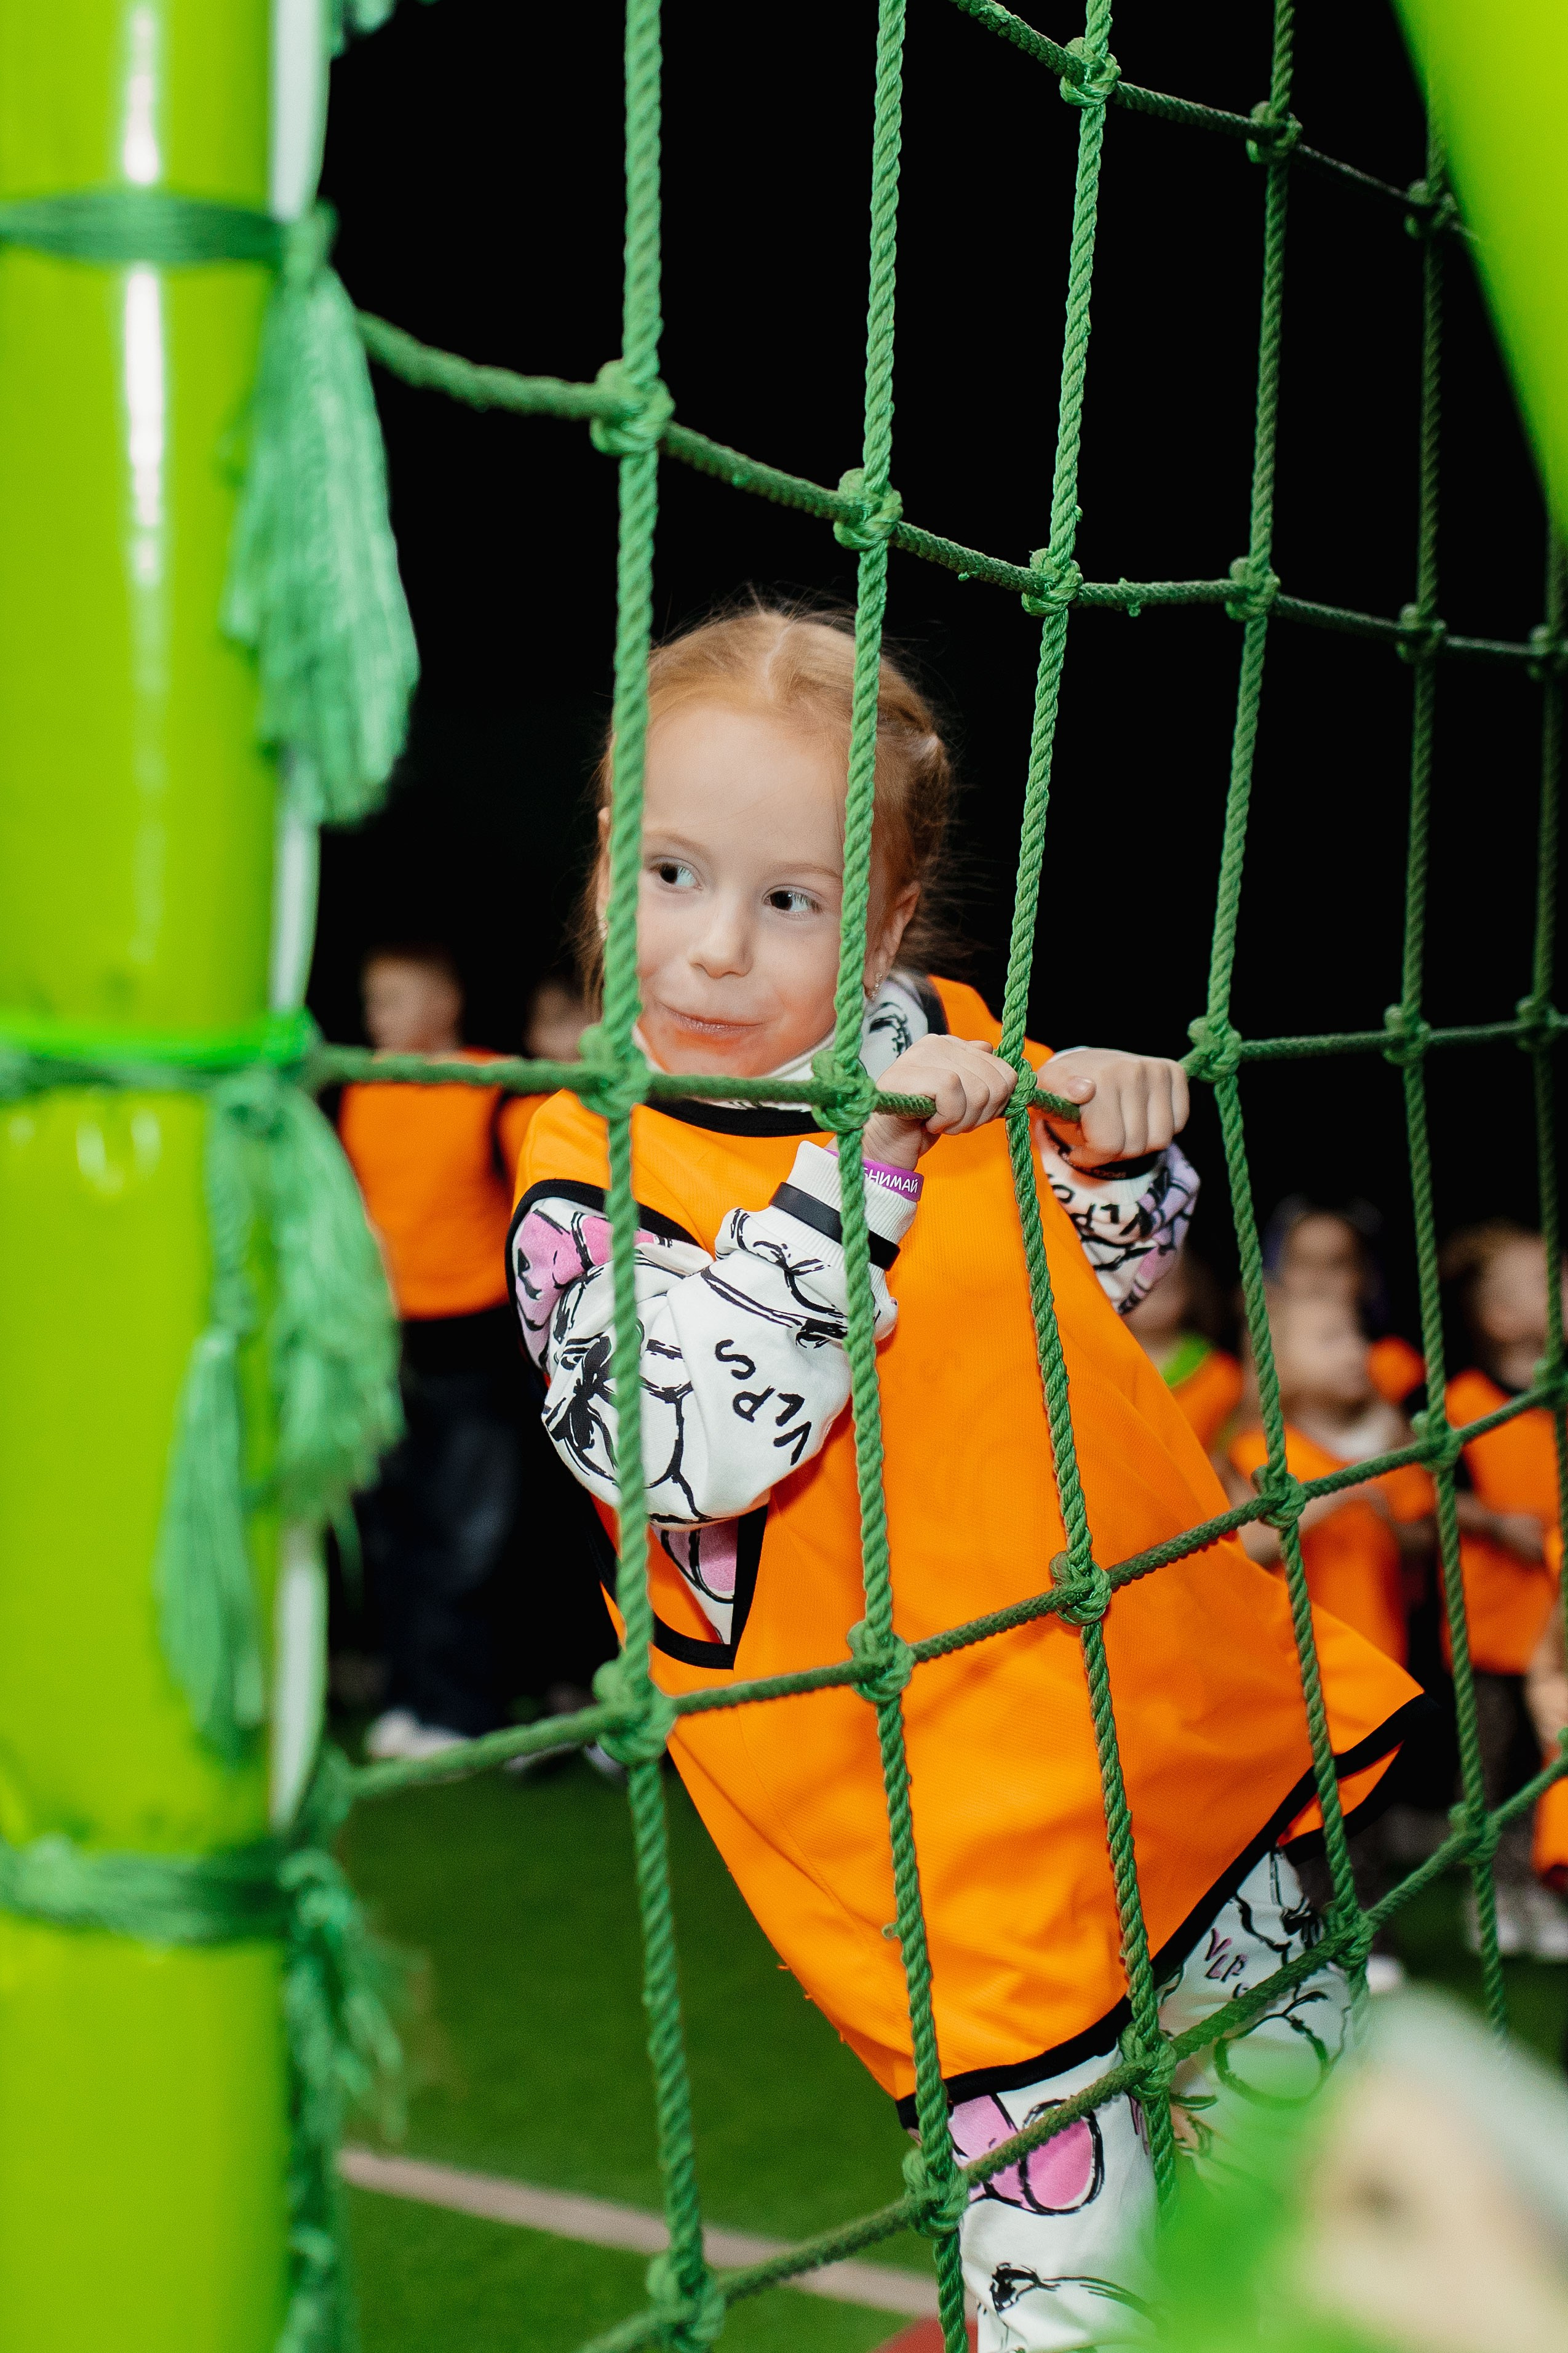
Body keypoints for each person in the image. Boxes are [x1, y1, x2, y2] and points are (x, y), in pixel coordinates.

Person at [509, 605, 1423, 2350]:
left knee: (1304, 2176)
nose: (716, 948)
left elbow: (1068, 1302)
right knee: (1082, 2277)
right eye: (672, 873)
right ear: (607, 857)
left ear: (885, 917)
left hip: (1155, 1717)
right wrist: (863, 1164)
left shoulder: (938, 1030)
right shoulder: (587, 1169)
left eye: (790, 900)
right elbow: (679, 1450)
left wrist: (1112, 1157)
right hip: (934, 1814)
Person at [340, 944, 541, 1760]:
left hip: (477, 1334)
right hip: (383, 1339)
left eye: (396, 997)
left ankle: (462, 1711)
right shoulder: (359, 1083)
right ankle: (410, 1696)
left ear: (444, 1001)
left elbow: (548, 1190)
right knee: (394, 1528)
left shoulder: (496, 1084)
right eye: (372, 998)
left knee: (469, 1534)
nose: (378, 1015)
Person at [1444, 1221, 1568, 1959]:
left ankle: (1537, 1888)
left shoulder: (1559, 1393)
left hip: (1555, 1628)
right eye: (1544, 1280)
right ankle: (1487, 1894)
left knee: (1545, 1764)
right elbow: (1431, 1494)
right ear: (1497, 1317)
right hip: (1491, 1628)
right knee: (1490, 1771)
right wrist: (1493, 1521)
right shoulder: (1459, 1402)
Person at [1264, 1196, 1425, 1408]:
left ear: (1367, 1276)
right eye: (1303, 1262)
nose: (1317, 1279)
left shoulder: (1389, 1359)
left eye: (1337, 1264)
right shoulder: (1261, 1349)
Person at [1124, 1245, 1243, 1450]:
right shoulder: (1098, 1360)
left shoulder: (1219, 1373)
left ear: (1188, 1290)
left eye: (1166, 1288)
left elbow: (1229, 1449)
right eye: (1139, 1285)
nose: (1151, 1298)